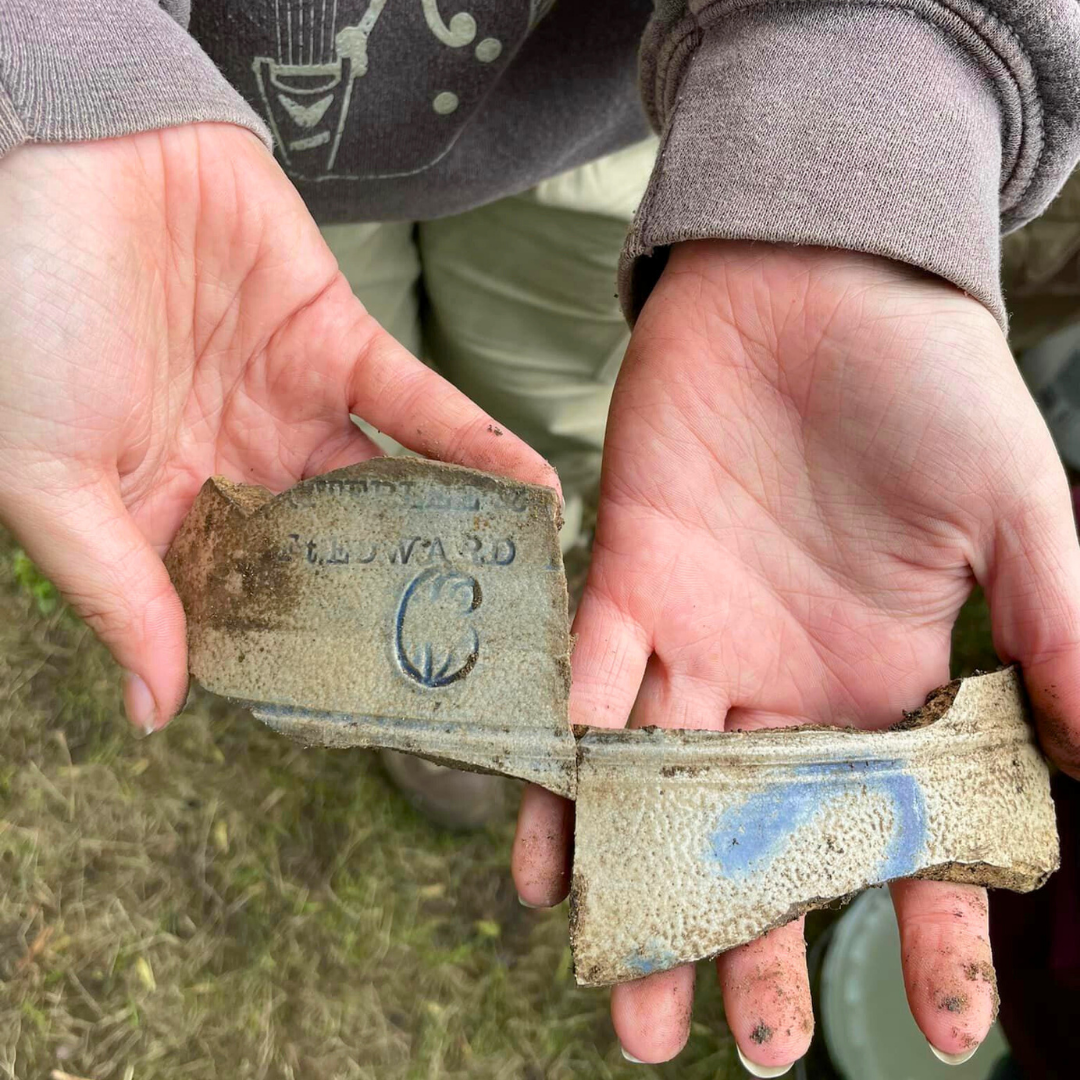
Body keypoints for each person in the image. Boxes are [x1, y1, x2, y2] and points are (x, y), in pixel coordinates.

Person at [2, 2, 1079, 1076]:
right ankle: (432, 712)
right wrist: (45, 87)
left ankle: (504, 665)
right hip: (163, 113)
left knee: (534, 455)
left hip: (634, 116)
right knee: (313, 477)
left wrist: (858, 103)